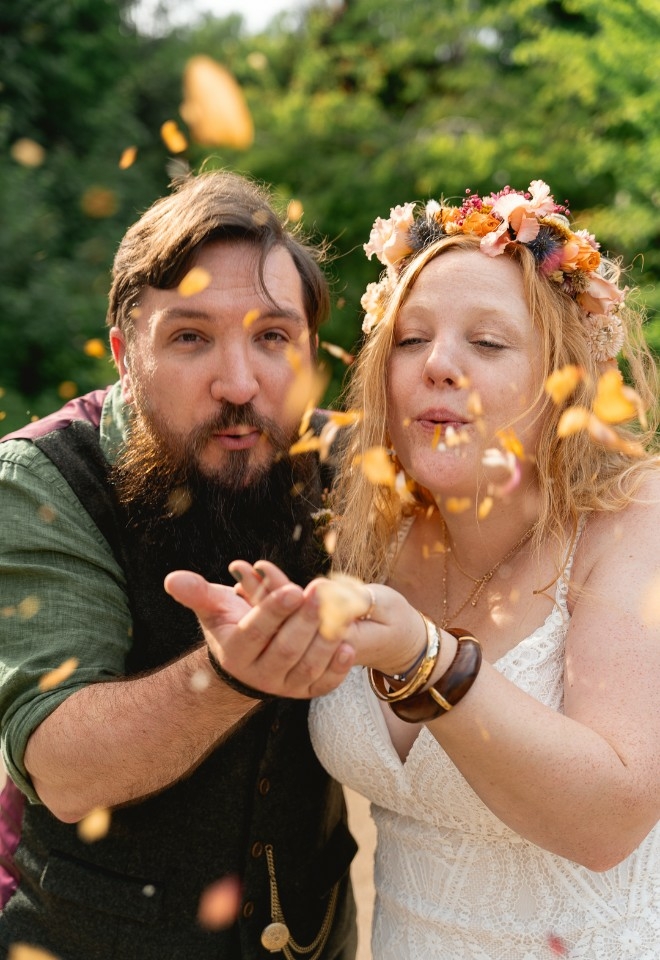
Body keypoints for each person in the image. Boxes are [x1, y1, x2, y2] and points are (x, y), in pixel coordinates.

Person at [169, 179, 660, 958]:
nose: (438, 364)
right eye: (410, 339)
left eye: (488, 343)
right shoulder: (369, 523)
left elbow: (608, 821)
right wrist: (251, 650)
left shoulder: (634, 520)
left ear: (565, 378)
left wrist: (424, 660)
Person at [0, 170, 358, 959]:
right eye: (191, 337)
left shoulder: (353, 462)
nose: (239, 383)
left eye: (273, 337)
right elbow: (62, 769)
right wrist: (227, 676)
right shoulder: (40, 480)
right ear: (126, 354)